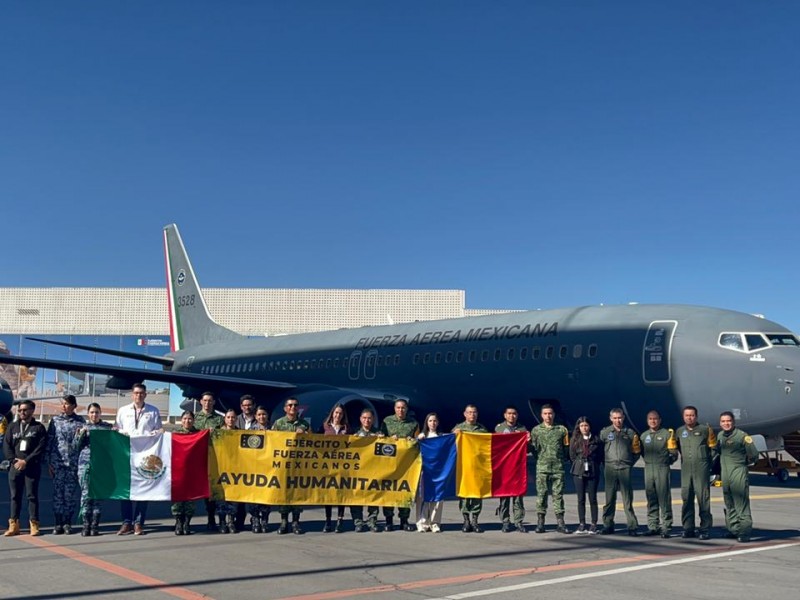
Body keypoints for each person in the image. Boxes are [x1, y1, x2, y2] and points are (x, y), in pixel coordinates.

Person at [115, 382, 162, 536]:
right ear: (132, 394)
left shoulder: (153, 411)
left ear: (145, 394)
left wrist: (155, 433)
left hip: (145, 456)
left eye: (141, 393)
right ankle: (126, 522)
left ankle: (138, 523)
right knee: (125, 490)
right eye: (136, 393)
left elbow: (159, 431)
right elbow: (116, 429)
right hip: (127, 455)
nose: (138, 395)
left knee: (143, 490)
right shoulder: (123, 411)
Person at [3, 400, 48, 536]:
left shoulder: (38, 428)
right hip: (15, 467)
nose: (22, 412)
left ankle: (34, 524)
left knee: (31, 496)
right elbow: (7, 445)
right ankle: (13, 525)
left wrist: (26, 461)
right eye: (20, 410)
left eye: (25, 410)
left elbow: (41, 448)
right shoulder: (12, 427)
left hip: (31, 467)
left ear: (32, 410)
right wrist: (13, 461)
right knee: (14, 496)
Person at [675, 405, 717, 540]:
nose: (689, 417)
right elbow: (678, 449)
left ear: (696, 416)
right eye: (687, 415)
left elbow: (714, 449)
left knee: (703, 499)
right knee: (686, 499)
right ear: (683, 417)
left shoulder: (705, 430)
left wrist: (708, 465)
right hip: (686, 470)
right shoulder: (680, 431)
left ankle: (705, 529)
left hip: (701, 470)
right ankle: (688, 528)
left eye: (692, 415)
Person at [46, 394, 86, 534]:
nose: (64, 406)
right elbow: (50, 442)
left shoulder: (80, 421)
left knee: (69, 494)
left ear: (74, 406)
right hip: (58, 462)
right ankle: (58, 523)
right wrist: (48, 462)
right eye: (63, 404)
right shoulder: (55, 421)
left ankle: (67, 522)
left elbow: (84, 442)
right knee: (58, 494)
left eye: (67, 404)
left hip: (73, 463)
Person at [718, 411, 758, 542]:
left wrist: (743, 464)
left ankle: (744, 532)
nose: (726, 423)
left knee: (741, 503)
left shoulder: (742, 436)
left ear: (733, 422)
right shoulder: (720, 436)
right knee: (729, 503)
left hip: (738, 473)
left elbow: (753, 454)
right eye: (723, 421)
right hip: (726, 474)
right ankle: (733, 529)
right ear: (720, 423)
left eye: (728, 421)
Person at [600, 407, 641, 536]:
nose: (618, 420)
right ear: (611, 418)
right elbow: (599, 449)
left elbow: (636, 452)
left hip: (624, 468)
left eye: (620, 418)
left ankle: (632, 526)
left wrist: (629, 463)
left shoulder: (630, 433)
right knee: (609, 499)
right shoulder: (605, 433)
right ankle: (607, 525)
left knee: (627, 500)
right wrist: (606, 463)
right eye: (615, 418)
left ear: (623, 418)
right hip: (610, 469)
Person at [271, 397, 310, 534]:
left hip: (299, 465)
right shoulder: (279, 423)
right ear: (285, 408)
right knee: (284, 493)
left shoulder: (304, 424)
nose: (293, 408)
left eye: (295, 405)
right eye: (290, 405)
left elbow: (313, 442)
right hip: (283, 464)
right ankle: (283, 521)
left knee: (297, 493)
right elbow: (272, 441)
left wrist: (305, 434)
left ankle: (296, 521)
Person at [530, 404, 571, 534]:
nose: (548, 416)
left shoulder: (561, 430)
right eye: (545, 414)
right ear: (541, 415)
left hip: (558, 468)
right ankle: (540, 523)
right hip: (542, 468)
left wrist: (560, 460)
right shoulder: (536, 430)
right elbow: (534, 449)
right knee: (541, 495)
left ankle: (560, 523)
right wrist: (542, 460)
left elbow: (566, 448)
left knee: (558, 496)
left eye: (550, 413)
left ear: (554, 415)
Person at [380, 399, 420, 531]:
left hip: (406, 465)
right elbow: (380, 438)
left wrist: (412, 440)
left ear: (407, 409)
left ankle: (404, 520)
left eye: (403, 408)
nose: (400, 410)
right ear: (394, 409)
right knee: (389, 492)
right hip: (389, 463)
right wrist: (388, 439)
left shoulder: (413, 423)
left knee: (404, 492)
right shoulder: (387, 421)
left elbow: (418, 441)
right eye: (398, 408)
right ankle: (389, 520)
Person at [74, 402, 112, 536]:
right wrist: (80, 435)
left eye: (96, 412)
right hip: (85, 465)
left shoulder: (107, 427)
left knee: (98, 496)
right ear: (88, 414)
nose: (94, 415)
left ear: (100, 413)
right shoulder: (83, 427)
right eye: (92, 412)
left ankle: (95, 526)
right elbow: (75, 447)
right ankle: (86, 525)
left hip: (101, 465)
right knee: (86, 495)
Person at [639, 410, 677, 537]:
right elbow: (642, 452)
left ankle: (666, 526)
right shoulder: (644, 436)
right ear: (647, 420)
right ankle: (653, 525)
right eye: (650, 419)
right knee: (651, 498)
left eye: (655, 419)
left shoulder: (667, 434)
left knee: (664, 497)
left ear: (660, 420)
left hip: (662, 468)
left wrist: (667, 461)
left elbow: (673, 453)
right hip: (649, 468)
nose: (653, 421)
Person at [452, 404, 489, 533]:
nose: (472, 415)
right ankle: (466, 520)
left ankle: (475, 520)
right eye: (469, 412)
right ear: (465, 414)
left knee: (477, 494)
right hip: (464, 467)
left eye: (474, 412)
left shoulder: (482, 430)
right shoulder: (458, 429)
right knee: (465, 494)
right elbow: (450, 445)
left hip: (478, 467)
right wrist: (454, 435)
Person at [495, 405, 529, 533]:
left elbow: (527, 449)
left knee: (518, 496)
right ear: (505, 415)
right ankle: (505, 521)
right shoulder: (499, 428)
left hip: (518, 468)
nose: (511, 416)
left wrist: (527, 441)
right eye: (509, 413)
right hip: (504, 468)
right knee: (505, 496)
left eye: (514, 413)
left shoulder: (522, 429)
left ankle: (519, 521)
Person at [194, 391, 223, 531]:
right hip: (196, 456)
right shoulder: (194, 418)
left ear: (214, 402)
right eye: (205, 400)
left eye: (210, 401)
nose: (207, 403)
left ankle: (211, 517)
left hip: (213, 456)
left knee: (211, 488)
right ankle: (183, 519)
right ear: (201, 402)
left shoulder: (219, 419)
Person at [568, 416, 603, 534]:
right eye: (582, 426)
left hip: (593, 469)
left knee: (593, 498)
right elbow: (572, 456)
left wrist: (593, 464)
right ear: (579, 427)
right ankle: (582, 523)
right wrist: (580, 464)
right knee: (580, 498)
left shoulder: (596, 440)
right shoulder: (575, 440)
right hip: (579, 469)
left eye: (586, 425)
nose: (584, 428)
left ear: (590, 426)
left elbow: (600, 456)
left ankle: (594, 523)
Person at [351, 408, 383, 533]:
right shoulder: (355, 434)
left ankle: (372, 521)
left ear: (373, 419)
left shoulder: (378, 433)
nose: (367, 420)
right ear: (360, 419)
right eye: (364, 418)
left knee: (373, 498)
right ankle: (358, 522)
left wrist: (382, 439)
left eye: (369, 418)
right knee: (356, 498)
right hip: (358, 471)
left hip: (373, 471)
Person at [322, 403, 351, 533]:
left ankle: (339, 520)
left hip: (342, 465)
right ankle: (328, 521)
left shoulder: (347, 428)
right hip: (327, 465)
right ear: (332, 413)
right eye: (336, 413)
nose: (338, 415)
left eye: (340, 413)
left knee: (340, 493)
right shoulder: (325, 427)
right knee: (328, 494)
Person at [415, 412, 444, 533]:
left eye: (435, 421)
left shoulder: (442, 437)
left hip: (438, 471)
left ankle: (435, 522)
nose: (433, 423)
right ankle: (422, 522)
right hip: (424, 470)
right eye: (430, 421)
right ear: (426, 423)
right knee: (422, 497)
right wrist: (418, 440)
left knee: (438, 497)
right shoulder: (422, 437)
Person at [171, 411, 198, 535]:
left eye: (190, 419)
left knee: (190, 499)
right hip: (178, 470)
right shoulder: (175, 433)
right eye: (185, 419)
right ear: (181, 420)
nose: (187, 421)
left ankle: (187, 523)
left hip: (193, 471)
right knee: (177, 498)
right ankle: (178, 522)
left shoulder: (198, 433)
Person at [247, 405, 272, 533]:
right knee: (254, 496)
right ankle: (255, 518)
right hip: (255, 467)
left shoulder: (274, 429)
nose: (262, 417)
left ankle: (265, 519)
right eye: (259, 414)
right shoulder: (251, 430)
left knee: (267, 495)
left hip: (268, 468)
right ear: (256, 417)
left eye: (264, 414)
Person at [216, 409, 239, 534]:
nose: (231, 419)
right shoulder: (218, 433)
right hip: (221, 468)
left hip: (236, 470)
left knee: (233, 498)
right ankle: (222, 522)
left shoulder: (241, 433)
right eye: (228, 417)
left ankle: (231, 521)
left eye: (233, 417)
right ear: (225, 419)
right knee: (221, 498)